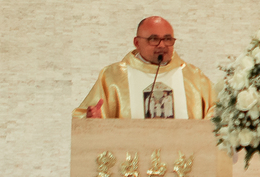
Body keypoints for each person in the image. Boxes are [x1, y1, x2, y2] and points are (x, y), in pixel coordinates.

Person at [73, 16, 214, 120]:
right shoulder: (112, 77)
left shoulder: (193, 77)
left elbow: (219, 110)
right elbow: (82, 117)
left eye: (167, 39)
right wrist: (91, 119)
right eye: (153, 39)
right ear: (137, 42)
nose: (162, 45)